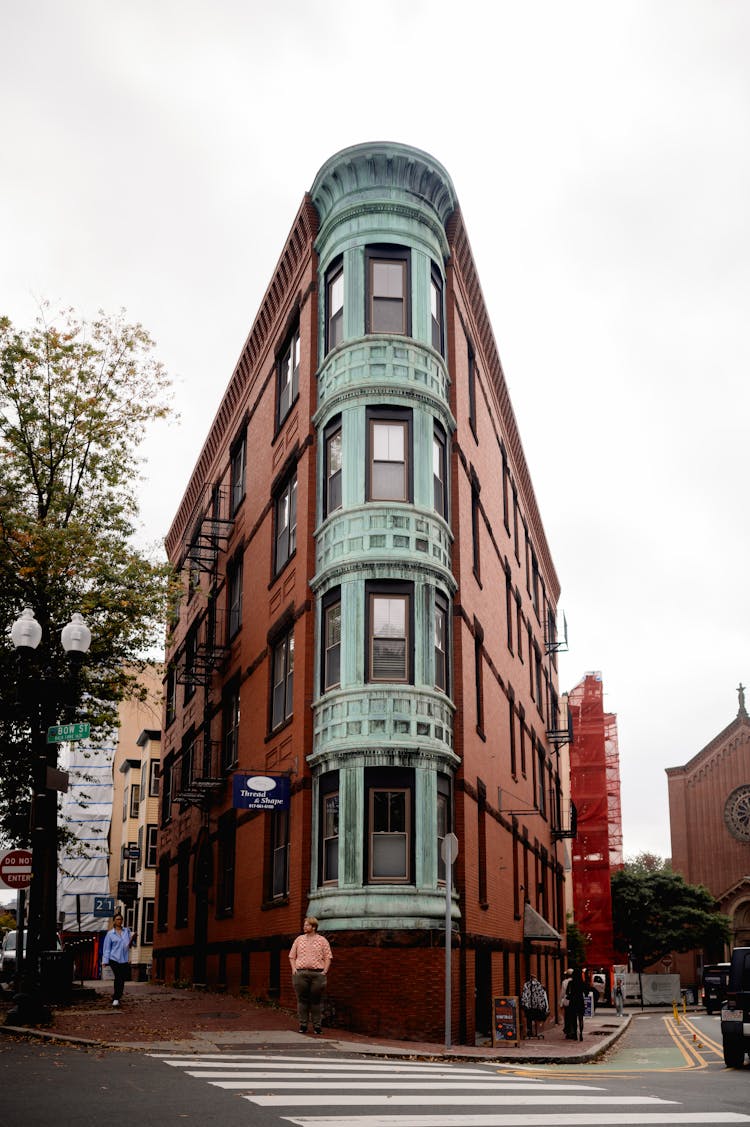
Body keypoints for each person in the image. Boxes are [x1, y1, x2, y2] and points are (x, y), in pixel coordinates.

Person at [289, 916, 332, 1034]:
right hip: (300, 974)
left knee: (316, 1001)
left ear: (313, 927)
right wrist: (294, 969)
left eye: (307, 925)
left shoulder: (322, 940)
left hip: (318, 974)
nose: (304, 927)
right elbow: (292, 956)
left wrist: (325, 971)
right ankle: (303, 1025)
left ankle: (317, 1026)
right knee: (302, 1000)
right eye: (304, 925)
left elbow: (328, 957)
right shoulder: (299, 939)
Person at [101, 912, 135, 1007]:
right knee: (118, 977)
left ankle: (118, 996)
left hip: (124, 959)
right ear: (114, 921)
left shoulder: (127, 931)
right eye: (117, 919)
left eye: (120, 919)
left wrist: (133, 939)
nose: (119, 921)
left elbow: (131, 945)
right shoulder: (110, 934)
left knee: (122, 978)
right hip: (114, 959)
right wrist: (105, 961)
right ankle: (116, 998)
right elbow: (107, 948)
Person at [566, 966, 586, 1041]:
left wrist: (570, 995)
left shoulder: (571, 983)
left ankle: (575, 1035)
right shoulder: (582, 983)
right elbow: (586, 992)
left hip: (573, 1001)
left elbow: (567, 992)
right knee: (581, 1018)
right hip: (580, 1001)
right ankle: (581, 1033)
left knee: (573, 1019)